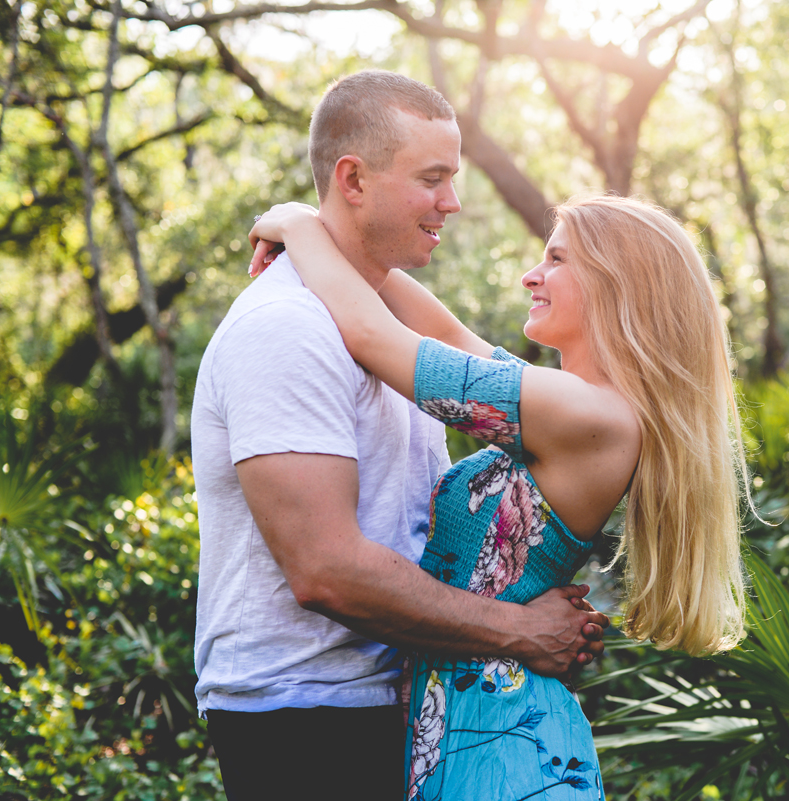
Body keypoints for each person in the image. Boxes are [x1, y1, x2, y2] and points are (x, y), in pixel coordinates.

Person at [247, 191, 750, 800]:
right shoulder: (565, 402)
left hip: (506, 748)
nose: (530, 275)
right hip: (468, 726)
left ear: (621, 287)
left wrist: (299, 224)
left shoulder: (588, 415)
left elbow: (373, 336)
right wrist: (339, 234)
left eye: (558, 261)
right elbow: (443, 332)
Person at [191, 70, 608, 801]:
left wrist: (299, 223)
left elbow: (390, 327)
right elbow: (326, 569)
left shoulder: (402, 342)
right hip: (306, 718)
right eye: (433, 177)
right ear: (352, 178)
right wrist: (515, 629)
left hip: (400, 702)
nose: (453, 201)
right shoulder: (287, 329)